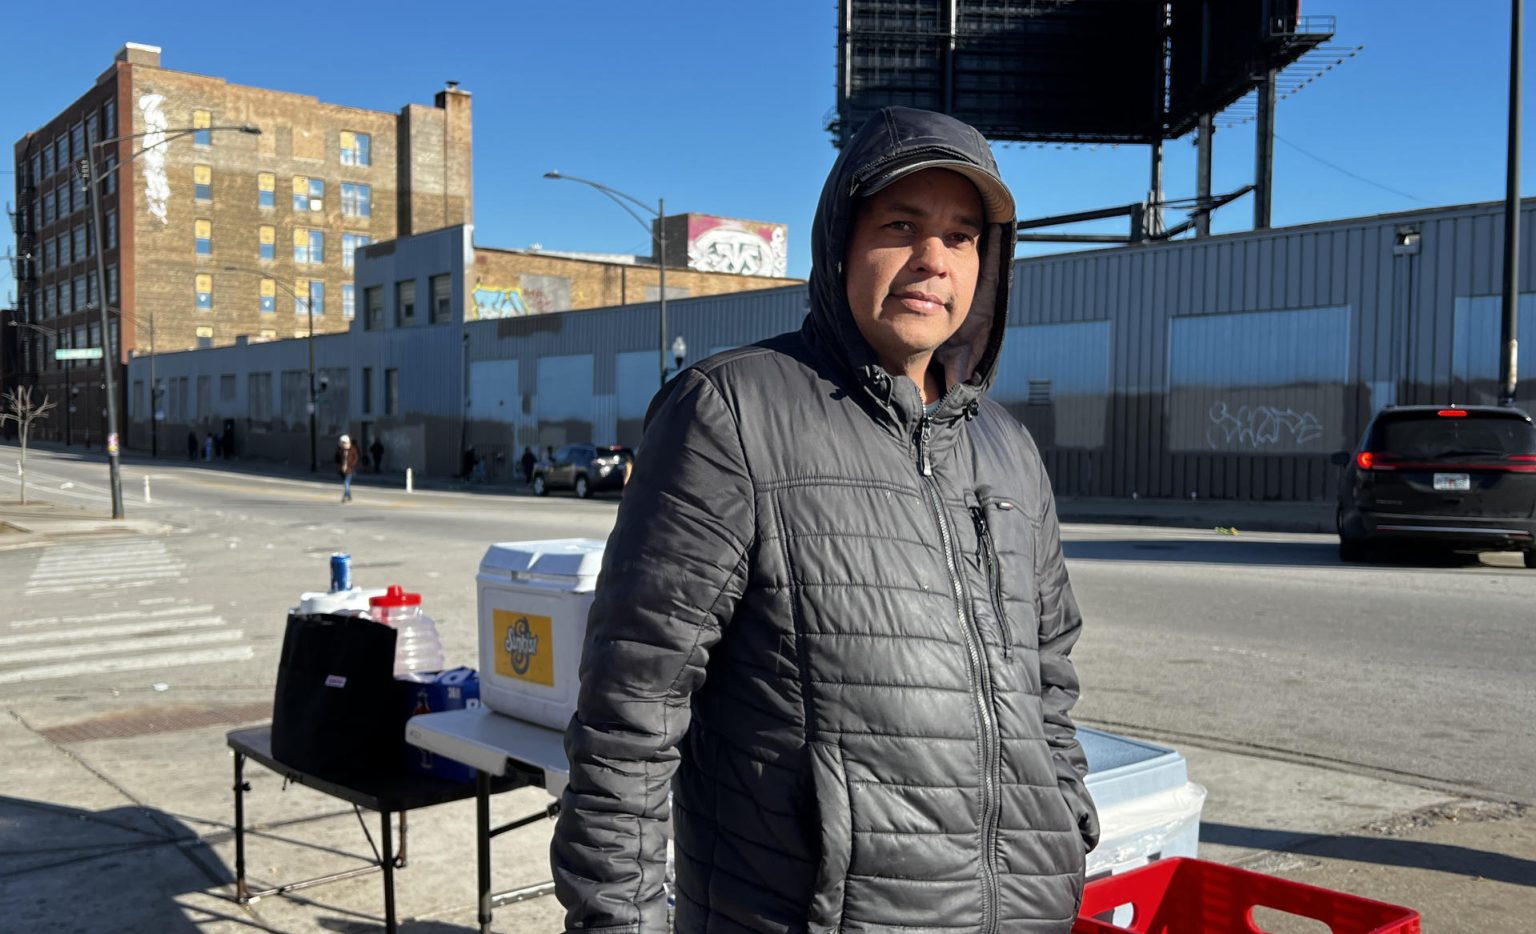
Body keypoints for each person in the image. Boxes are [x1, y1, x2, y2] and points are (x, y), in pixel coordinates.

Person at [551, 106, 1098, 931]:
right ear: (841, 239)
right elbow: (631, 717)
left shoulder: (1009, 447)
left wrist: (1065, 815)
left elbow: (1048, 672)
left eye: (961, 236)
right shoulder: (731, 414)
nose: (931, 261)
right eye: (902, 225)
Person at [335, 434, 360, 503]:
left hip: (349, 469)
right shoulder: (340, 450)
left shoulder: (353, 449)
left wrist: (351, 465)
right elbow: (336, 459)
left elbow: (356, 458)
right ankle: (349, 497)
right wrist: (339, 466)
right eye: (342, 443)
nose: (343, 444)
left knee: (346, 483)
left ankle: (345, 497)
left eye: (344, 443)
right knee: (346, 483)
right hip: (342, 470)